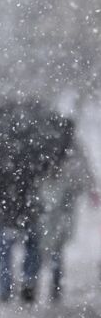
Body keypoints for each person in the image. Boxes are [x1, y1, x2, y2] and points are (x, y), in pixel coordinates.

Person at [0, 98, 70, 303]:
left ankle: (5, 287)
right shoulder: (33, 143)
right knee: (32, 244)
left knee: (3, 248)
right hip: (27, 204)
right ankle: (28, 282)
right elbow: (44, 169)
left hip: (0, 206)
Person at [38, 119, 99, 301]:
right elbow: (84, 168)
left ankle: (32, 279)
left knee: (42, 239)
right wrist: (90, 188)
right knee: (58, 242)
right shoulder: (72, 146)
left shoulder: (42, 142)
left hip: (45, 196)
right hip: (66, 198)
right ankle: (55, 281)